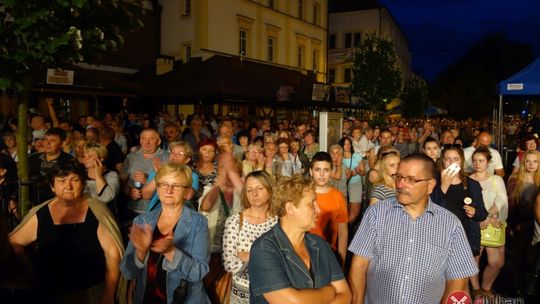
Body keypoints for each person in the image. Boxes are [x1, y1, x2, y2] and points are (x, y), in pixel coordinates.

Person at [348, 154, 478, 303]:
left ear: (430, 186)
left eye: (411, 180)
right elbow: (359, 265)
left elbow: (458, 280)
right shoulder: (376, 213)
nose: (401, 185)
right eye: (399, 177)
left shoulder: (450, 225)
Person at [10, 160, 125, 303]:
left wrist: (108, 294)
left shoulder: (97, 210)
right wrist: (29, 270)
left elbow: (113, 254)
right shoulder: (41, 214)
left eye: (74, 180)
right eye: (62, 181)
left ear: (83, 184)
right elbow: (14, 242)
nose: (68, 186)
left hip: (91, 291)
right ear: (52, 186)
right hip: (50, 293)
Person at [249, 174, 351, 304]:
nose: (318, 210)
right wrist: (328, 292)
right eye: (311, 204)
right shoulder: (264, 250)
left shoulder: (320, 244)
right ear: (290, 208)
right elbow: (292, 302)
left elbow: (345, 294)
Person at [120, 163, 209, 304]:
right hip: (146, 298)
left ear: (186, 192)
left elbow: (199, 272)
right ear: (158, 187)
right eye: (163, 184)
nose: (169, 190)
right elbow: (127, 272)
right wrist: (141, 253)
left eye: (176, 185)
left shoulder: (198, 222)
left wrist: (171, 252)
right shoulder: (142, 220)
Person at [222, 171, 278, 303]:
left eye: (260, 188)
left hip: (273, 295)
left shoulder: (279, 221)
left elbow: (282, 258)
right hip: (242, 296)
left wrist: (247, 255)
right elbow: (229, 263)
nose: (254, 194)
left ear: (269, 189)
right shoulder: (235, 221)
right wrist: (265, 263)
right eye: (249, 190)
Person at [431, 146, 488, 257]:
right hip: (441, 240)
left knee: (468, 274)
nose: (452, 163)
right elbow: (431, 210)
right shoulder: (433, 182)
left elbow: (482, 214)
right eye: (448, 159)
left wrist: (474, 212)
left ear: (462, 161)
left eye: (456, 159)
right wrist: (444, 185)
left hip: (466, 238)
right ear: (443, 161)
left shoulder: (472, 184)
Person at [468, 147, 508, 300]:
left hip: (494, 222)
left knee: (497, 262)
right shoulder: (468, 180)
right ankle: (476, 289)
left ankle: (486, 287)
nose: (477, 164)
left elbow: (502, 199)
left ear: (488, 162)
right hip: (475, 224)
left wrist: (489, 215)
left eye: (481, 161)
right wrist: (480, 219)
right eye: (475, 160)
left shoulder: (496, 179)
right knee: (474, 260)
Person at [309, 152, 348, 266]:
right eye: (317, 170)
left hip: (329, 254)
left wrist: (342, 261)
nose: (322, 174)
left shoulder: (338, 196)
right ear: (311, 171)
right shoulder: (303, 194)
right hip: (305, 252)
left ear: (331, 172)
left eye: (326, 170)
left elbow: (343, 232)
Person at [120, 128, 169, 217]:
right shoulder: (131, 157)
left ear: (158, 142)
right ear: (140, 140)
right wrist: (129, 191)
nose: (147, 142)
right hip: (133, 208)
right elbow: (122, 180)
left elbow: (170, 184)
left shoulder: (166, 158)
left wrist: (147, 180)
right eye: (144, 138)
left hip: (157, 211)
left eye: (151, 139)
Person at [142, 141, 199, 212]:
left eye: (180, 154)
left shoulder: (192, 176)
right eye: (172, 152)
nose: (174, 155)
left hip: (181, 215)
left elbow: (188, 196)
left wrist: (178, 172)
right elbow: (146, 195)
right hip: (156, 213)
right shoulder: (158, 171)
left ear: (187, 159)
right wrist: (159, 174)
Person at [28, 127, 74, 204]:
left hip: (58, 203)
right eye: (45, 140)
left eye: (52, 141)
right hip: (33, 203)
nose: (47, 143)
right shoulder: (32, 159)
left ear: (62, 144)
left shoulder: (69, 161)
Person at [339, 136, 364, 224]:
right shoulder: (339, 158)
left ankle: (346, 229)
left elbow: (363, 172)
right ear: (341, 146)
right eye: (345, 144)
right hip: (343, 186)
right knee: (346, 211)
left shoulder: (356, 156)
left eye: (349, 144)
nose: (347, 146)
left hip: (356, 184)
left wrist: (357, 171)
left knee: (355, 212)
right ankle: (344, 231)